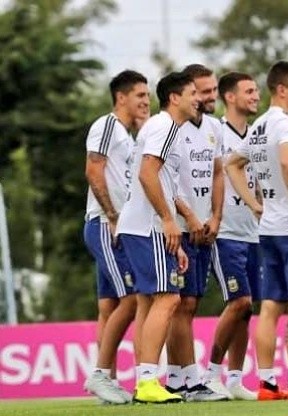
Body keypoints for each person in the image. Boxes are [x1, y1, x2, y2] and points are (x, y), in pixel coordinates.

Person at [225, 61, 288, 401]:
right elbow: (287, 163)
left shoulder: (257, 126)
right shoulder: (286, 124)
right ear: (282, 89)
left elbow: (231, 164)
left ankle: (268, 384)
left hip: (268, 228)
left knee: (270, 307)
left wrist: (256, 206)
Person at [116, 71, 198, 404]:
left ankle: (144, 381)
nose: (199, 99)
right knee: (170, 298)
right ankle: (148, 381)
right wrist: (167, 220)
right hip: (147, 226)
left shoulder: (165, 129)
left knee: (151, 302)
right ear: (174, 98)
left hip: (140, 226)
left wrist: (182, 218)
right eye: (192, 93)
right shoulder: (164, 126)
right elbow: (147, 172)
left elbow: (162, 182)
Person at [83, 70, 149, 405]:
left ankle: (106, 383)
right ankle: (99, 375)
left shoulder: (128, 134)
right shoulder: (107, 126)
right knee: (134, 297)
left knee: (109, 304)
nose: (145, 101)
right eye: (140, 95)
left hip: (117, 225)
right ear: (121, 97)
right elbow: (93, 170)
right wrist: (112, 217)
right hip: (105, 224)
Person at [164, 64, 227, 402]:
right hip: (182, 228)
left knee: (191, 303)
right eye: (203, 92)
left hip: (206, 227)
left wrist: (216, 217)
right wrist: (187, 217)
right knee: (181, 304)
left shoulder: (214, 128)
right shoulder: (173, 130)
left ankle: (177, 380)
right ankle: (187, 380)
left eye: (213, 90)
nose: (209, 97)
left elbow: (218, 173)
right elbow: (164, 183)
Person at [200, 71, 262, 400]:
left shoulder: (257, 135)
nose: (256, 96)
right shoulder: (215, 132)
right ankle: (210, 374)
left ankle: (235, 380)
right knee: (239, 301)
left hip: (254, 234)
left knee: (248, 308)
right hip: (225, 234)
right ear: (230, 97)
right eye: (249, 91)